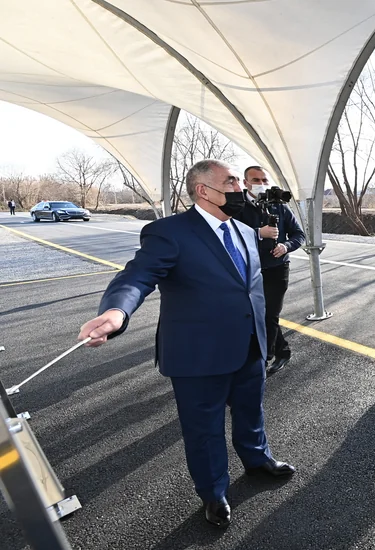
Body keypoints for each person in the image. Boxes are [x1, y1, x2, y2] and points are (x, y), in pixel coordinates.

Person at [77, 159, 295, 529]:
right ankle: (213, 492)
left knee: (251, 410)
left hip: (249, 346)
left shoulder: (244, 230)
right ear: (203, 191)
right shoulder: (168, 232)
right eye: (230, 182)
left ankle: (257, 458)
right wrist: (116, 312)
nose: (239, 189)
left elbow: (248, 288)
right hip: (199, 353)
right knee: (204, 429)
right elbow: (137, 276)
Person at [234, 166, 305, 376]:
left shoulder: (279, 206)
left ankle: (265, 359)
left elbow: (299, 235)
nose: (261, 183)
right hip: (249, 269)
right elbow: (229, 235)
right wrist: (258, 233)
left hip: (277, 268)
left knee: (270, 314)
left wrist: (285, 246)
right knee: (259, 314)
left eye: (264, 180)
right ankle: (283, 350)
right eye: (255, 179)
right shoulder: (236, 206)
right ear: (245, 183)